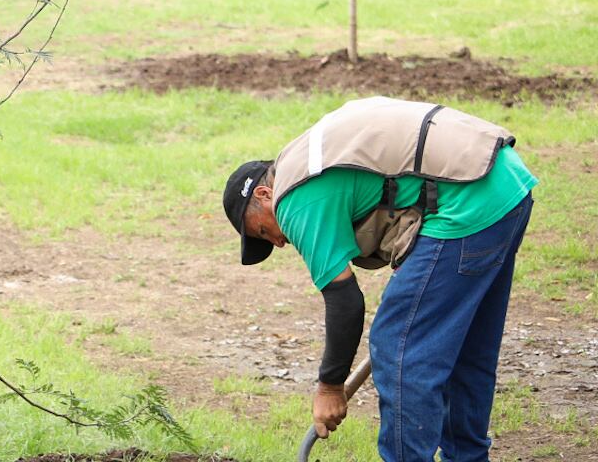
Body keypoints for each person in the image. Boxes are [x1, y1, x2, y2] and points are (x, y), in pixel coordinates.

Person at [223, 97, 537, 462]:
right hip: (505, 184)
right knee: (466, 347)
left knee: (398, 346)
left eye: (264, 232)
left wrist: (329, 387)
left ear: (264, 195)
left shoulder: (293, 199)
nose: (279, 242)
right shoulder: (307, 157)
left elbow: (345, 300)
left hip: (467, 201)